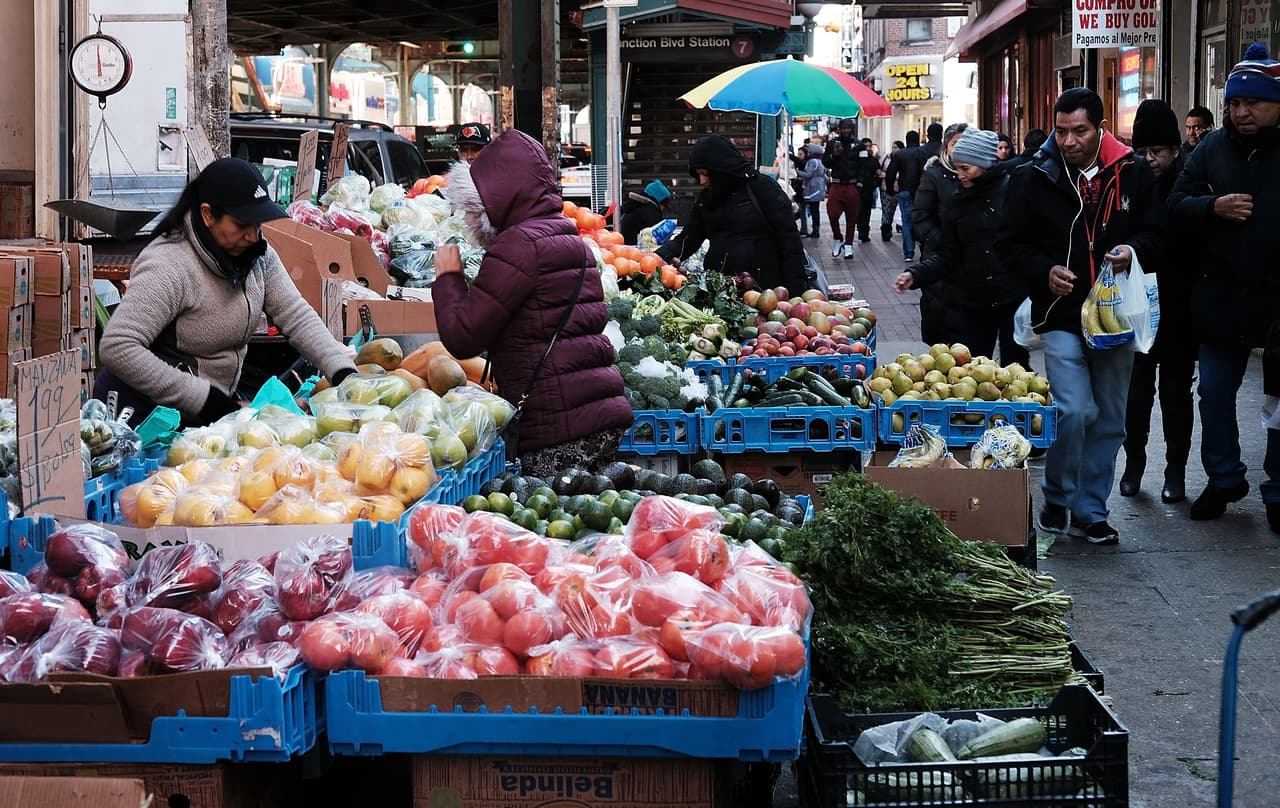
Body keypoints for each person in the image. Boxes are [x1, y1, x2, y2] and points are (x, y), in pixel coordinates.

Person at [997, 87, 1165, 545]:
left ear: (1100, 127)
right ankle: (1057, 495)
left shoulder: (1132, 172)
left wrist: (1135, 250)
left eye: (1080, 131)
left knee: (1111, 416)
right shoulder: (1034, 175)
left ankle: (1092, 509)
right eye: (1062, 130)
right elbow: (1009, 245)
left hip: (1115, 317)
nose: (1069, 141)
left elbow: (1157, 233)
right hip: (1061, 314)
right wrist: (1043, 271)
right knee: (1072, 410)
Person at [95, 158, 357, 428]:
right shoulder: (169, 264)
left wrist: (343, 373)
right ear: (207, 214)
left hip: (209, 413)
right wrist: (206, 400)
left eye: (258, 224)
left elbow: (296, 315)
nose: (253, 236)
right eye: (242, 225)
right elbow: (118, 346)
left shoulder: (258, 255)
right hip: (145, 418)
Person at [433, 129, 632, 476]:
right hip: (598, 415)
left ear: (497, 196)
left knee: (553, 524)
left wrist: (448, 277)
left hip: (557, 427)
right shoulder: (567, 235)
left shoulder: (519, 246)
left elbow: (463, 336)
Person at [1169, 43, 1280, 531]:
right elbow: (1175, 205)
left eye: (1252, 102)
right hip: (1221, 296)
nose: (1241, 111)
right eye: (1234, 103)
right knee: (1213, 392)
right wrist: (1211, 208)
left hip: (1277, 300)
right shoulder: (1210, 148)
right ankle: (1224, 477)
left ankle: (1278, 488)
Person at [892, 129, 1029, 366]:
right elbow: (949, 255)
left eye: (966, 168)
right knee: (972, 370)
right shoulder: (958, 201)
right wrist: (915, 274)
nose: (960, 175)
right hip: (973, 302)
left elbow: (1032, 243)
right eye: (957, 168)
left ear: (985, 163)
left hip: (1012, 299)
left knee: (1015, 367)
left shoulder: (1014, 192)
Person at [1118, 100, 1197, 503]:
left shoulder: (1190, 179)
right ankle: (1134, 464)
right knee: (1137, 391)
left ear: (1174, 150)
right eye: (1143, 151)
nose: (1150, 160)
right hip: (1139, 304)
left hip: (1181, 304)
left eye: (1159, 152)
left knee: (1176, 392)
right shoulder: (1129, 181)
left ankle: (1176, 471)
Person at [656, 135, 807, 295]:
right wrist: (654, 259)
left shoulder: (761, 188)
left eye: (705, 173)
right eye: (698, 174)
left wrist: (795, 293)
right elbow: (687, 240)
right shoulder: (707, 199)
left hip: (764, 293)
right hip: (721, 294)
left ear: (721, 169)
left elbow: (789, 242)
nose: (701, 180)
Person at [911, 122, 968, 344]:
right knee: (939, 323)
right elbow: (920, 217)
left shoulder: (978, 175)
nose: (960, 149)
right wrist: (943, 244)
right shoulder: (934, 175)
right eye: (955, 144)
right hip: (939, 261)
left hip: (969, 267)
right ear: (946, 147)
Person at [885, 123, 943, 263]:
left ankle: (909, 252)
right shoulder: (944, 150)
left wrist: (890, 190)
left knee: (907, 221)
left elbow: (892, 173)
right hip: (937, 192)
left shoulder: (917, 152)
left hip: (911, 190)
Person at [822, 118, 875, 258]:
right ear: (839, 129)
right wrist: (834, 155)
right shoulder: (833, 143)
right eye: (843, 128)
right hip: (837, 183)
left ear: (852, 129)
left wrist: (860, 184)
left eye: (848, 128)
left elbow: (864, 166)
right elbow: (825, 163)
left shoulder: (859, 145)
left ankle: (849, 244)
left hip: (852, 184)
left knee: (852, 217)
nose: (846, 130)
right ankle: (838, 238)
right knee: (833, 214)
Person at [619, 180, 673, 245]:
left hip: (626, 245)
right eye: (664, 205)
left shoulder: (636, 206)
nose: (663, 209)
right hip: (636, 248)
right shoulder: (651, 211)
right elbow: (655, 237)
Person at [796, 144, 826, 239]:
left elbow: (808, 174)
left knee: (812, 210)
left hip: (812, 188)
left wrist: (797, 172)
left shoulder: (812, 162)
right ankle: (815, 229)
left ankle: (814, 230)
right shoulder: (821, 161)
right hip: (819, 188)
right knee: (815, 210)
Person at [880, 140, 904, 241]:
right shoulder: (886, 157)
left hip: (900, 189)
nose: (894, 149)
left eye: (897, 147)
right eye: (893, 147)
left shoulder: (904, 158)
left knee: (899, 211)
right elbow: (878, 168)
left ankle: (900, 225)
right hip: (885, 188)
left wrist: (892, 175)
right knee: (887, 211)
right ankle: (886, 230)